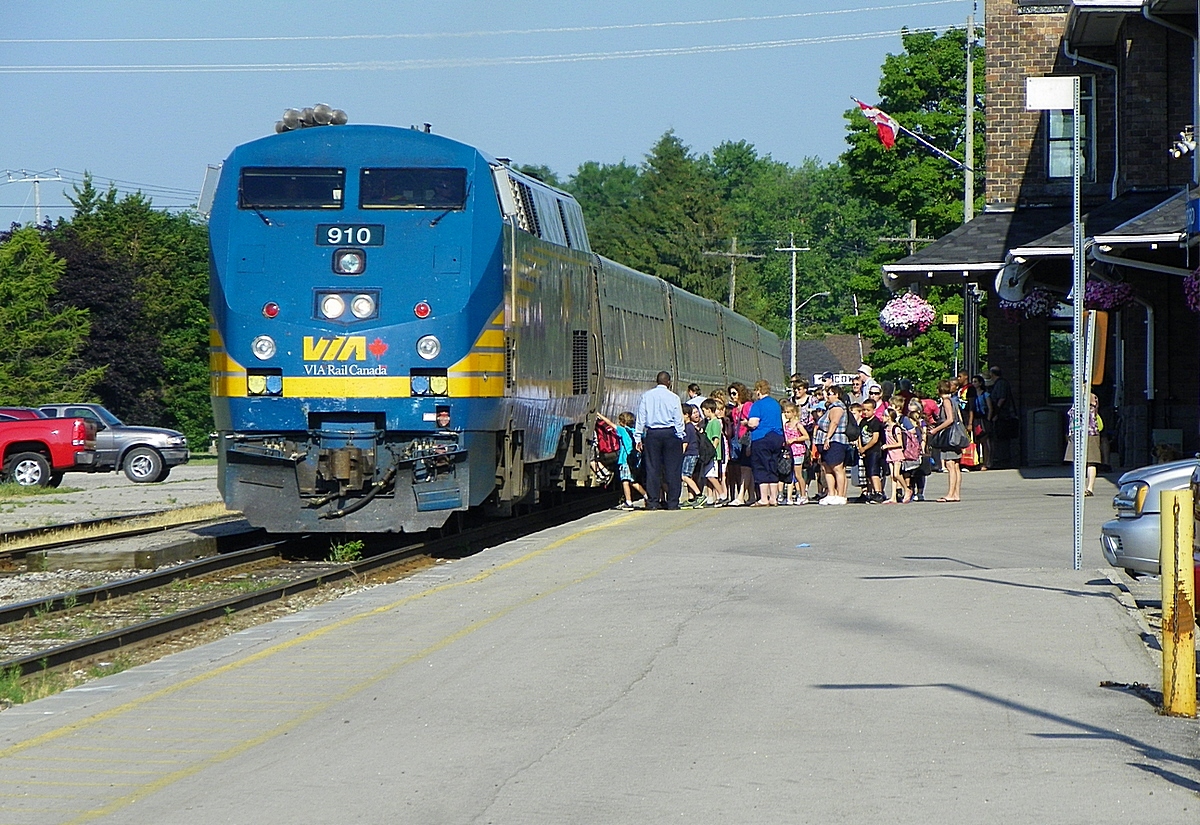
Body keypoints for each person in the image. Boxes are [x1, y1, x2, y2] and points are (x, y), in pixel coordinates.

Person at [634, 371, 686, 511]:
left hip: (652, 434)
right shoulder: (673, 397)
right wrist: (681, 435)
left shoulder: (646, 396)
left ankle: (652, 502)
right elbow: (678, 419)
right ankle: (673, 502)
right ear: (668, 382)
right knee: (672, 469)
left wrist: (638, 437)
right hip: (670, 433)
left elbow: (641, 418)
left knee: (652, 469)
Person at [745, 379, 785, 506]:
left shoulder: (757, 405)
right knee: (772, 466)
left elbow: (754, 423)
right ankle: (773, 498)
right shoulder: (775, 404)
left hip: (762, 437)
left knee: (761, 466)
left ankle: (763, 498)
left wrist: (746, 423)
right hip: (777, 437)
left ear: (758, 391)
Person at [599, 412, 645, 510]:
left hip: (625, 460)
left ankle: (629, 502)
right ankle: (646, 496)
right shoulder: (635, 431)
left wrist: (600, 415)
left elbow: (610, 423)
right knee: (632, 480)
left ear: (623, 422)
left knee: (625, 481)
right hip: (635, 459)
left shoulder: (622, 430)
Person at [928, 379, 964, 502]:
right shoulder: (954, 401)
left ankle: (950, 493)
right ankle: (956, 493)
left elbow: (949, 420)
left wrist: (935, 430)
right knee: (956, 465)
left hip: (949, 437)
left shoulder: (946, 402)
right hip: (956, 435)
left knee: (950, 465)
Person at [814, 385, 849, 505]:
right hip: (824, 440)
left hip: (835, 440)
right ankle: (831, 493)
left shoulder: (838, 407)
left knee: (837, 468)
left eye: (830, 393)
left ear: (837, 395)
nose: (827, 396)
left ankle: (840, 495)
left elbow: (834, 422)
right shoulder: (830, 407)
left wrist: (828, 438)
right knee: (827, 468)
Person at [1065, 393, 1103, 496]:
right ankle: (1080, 488)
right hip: (1077, 433)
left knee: (1090, 461)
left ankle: (1089, 488)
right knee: (1078, 462)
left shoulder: (1090, 397)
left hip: (1089, 433)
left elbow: (1091, 404)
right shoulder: (1077, 396)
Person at [727, 382, 755, 505]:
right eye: (731, 394)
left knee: (745, 468)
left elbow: (752, 422)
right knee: (745, 469)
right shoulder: (734, 410)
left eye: (734, 393)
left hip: (747, 438)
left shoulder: (748, 405)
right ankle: (752, 495)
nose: (732, 396)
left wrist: (746, 423)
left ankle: (741, 496)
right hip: (738, 440)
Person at [987, 366, 1018, 468]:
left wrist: (996, 413)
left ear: (992, 374)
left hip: (1003, 416)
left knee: (1002, 440)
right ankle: (1003, 460)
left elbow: (1001, 399)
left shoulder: (1001, 384)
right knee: (1001, 439)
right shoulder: (999, 383)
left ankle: (1003, 461)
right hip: (1003, 415)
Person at [699, 398, 727, 506]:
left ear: (709, 410)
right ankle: (710, 497)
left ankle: (722, 495)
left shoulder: (715, 423)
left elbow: (716, 439)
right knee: (707, 476)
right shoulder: (709, 423)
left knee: (712, 476)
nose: (703, 413)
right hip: (708, 454)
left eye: (704, 410)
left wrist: (712, 451)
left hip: (712, 455)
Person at [858, 398, 886, 503]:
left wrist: (865, 448)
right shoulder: (863, 422)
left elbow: (875, 439)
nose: (865, 412)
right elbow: (859, 436)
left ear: (874, 410)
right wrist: (861, 448)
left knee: (874, 472)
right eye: (863, 410)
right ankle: (870, 492)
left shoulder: (875, 422)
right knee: (868, 473)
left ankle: (878, 492)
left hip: (874, 451)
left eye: (868, 410)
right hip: (865, 451)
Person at [781, 401, 810, 504]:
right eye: (785, 412)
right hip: (789, 452)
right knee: (790, 473)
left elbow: (806, 436)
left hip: (798, 451)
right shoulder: (786, 425)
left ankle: (803, 495)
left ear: (794, 413)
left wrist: (795, 439)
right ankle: (789, 496)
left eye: (788, 412)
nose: (786, 414)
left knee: (798, 474)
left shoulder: (798, 424)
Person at [881, 402, 909, 504]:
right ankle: (893, 497)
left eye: (885, 416)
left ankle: (907, 489)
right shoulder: (886, 428)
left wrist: (887, 446)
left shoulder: (896, 428)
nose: (883, 417)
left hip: (897, 453)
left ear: (889, 417)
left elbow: (900, 443)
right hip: (890, 454)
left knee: (897, 474)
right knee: (892, 475)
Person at [680, 404, 705, 507]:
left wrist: (680, 454)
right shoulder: (691, 427)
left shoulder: (687, 427)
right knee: (689, 476)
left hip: (690, 454)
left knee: (684, 476)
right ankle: (691, 498)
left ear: (686, 415)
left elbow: (685, 443)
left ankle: (699, 495)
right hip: (692, 454)